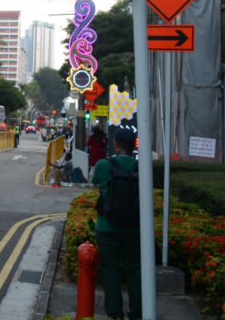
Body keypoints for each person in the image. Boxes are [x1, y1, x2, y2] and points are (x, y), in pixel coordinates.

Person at [91, 127, 140, 320]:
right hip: (135, 228)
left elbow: (95, 183)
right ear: (133, 144)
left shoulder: (104, 165)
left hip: (107, 227)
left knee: (109, 269)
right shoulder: (141, 166)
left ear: (116, 144)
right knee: (135, 270)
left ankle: (115, 313)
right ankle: (137, 312)